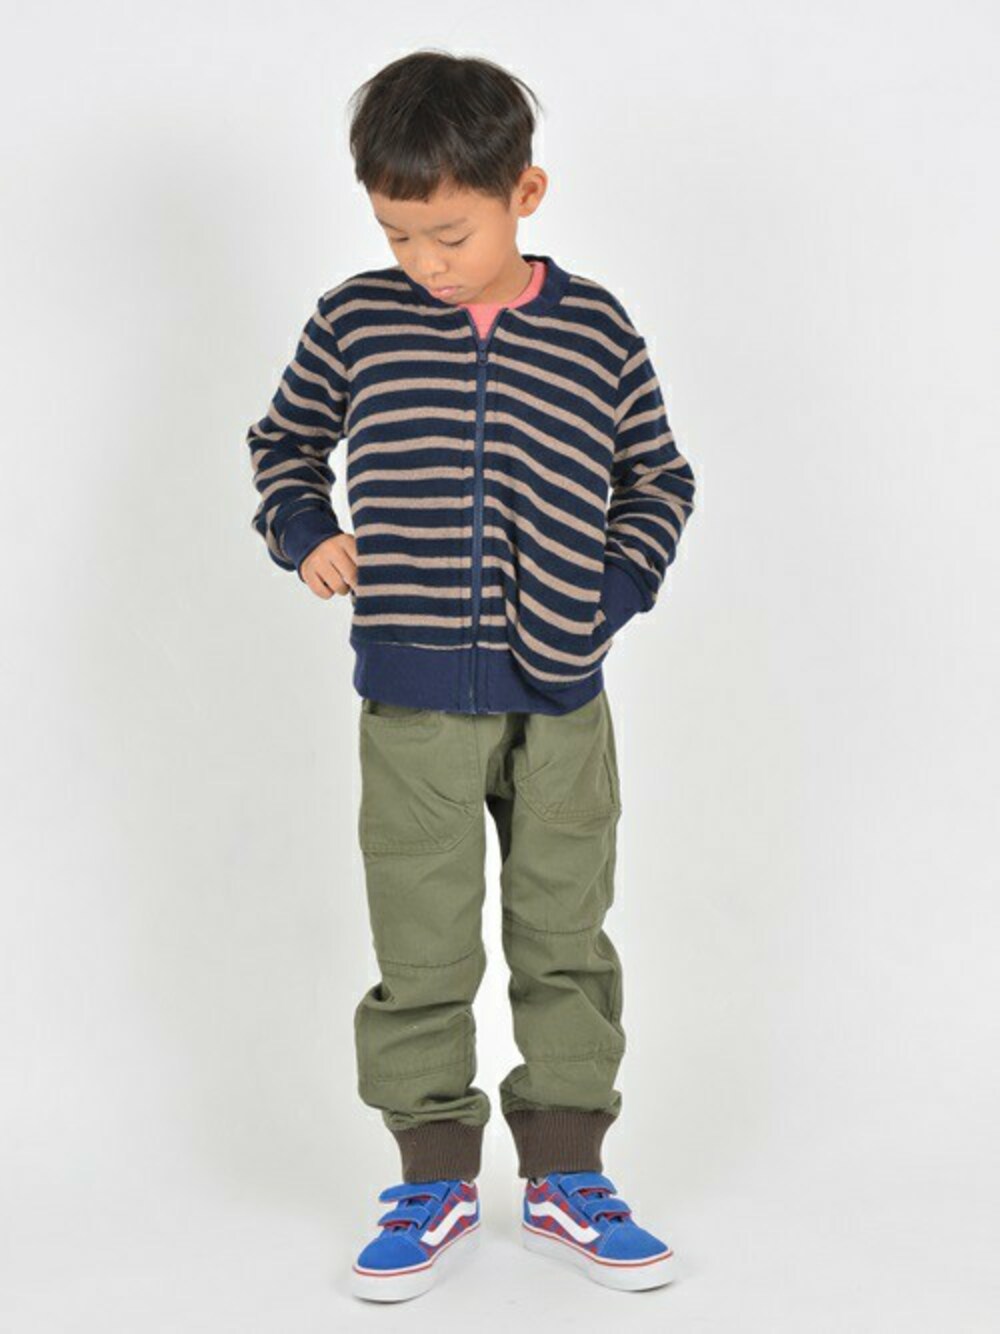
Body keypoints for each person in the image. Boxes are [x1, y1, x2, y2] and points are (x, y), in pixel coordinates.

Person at [245, 49, 696, 1301]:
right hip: (413, 698)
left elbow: (659, 478)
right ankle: (432, 1177)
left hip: (563, 696)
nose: (426, 265)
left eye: (449, 234)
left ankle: (565, 1172)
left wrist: (610, 596)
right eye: (398, 237)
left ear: (524, 193)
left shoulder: (594, 327)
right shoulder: (355, 319)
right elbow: (284, 442)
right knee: (422, 944)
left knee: (564, 934)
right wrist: (306, 530)